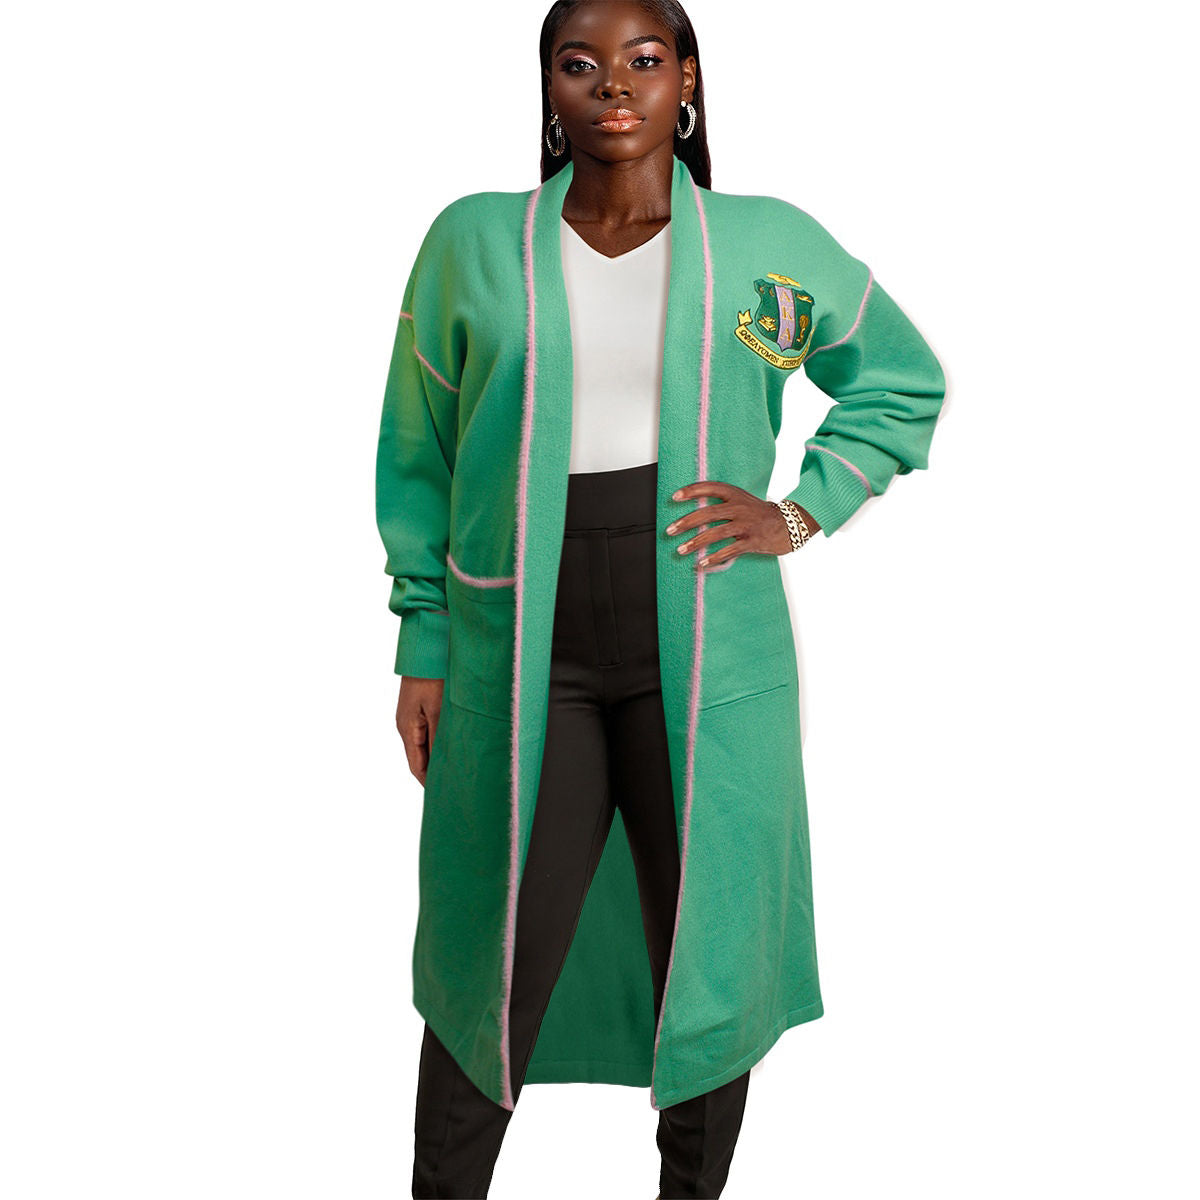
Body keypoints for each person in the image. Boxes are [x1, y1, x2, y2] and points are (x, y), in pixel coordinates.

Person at [374, 2, 947, 1195]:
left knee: (709, 950)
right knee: (492, 955)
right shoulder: (474, 242)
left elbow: (899, 380)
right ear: (549, 90)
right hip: (518, 644)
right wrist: (423, 636)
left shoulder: (763, 244)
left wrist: (798, 513)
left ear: (688, 81)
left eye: (644, 61)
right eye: (579, 65)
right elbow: (418, 450)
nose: (614, 88)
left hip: (706, 638)